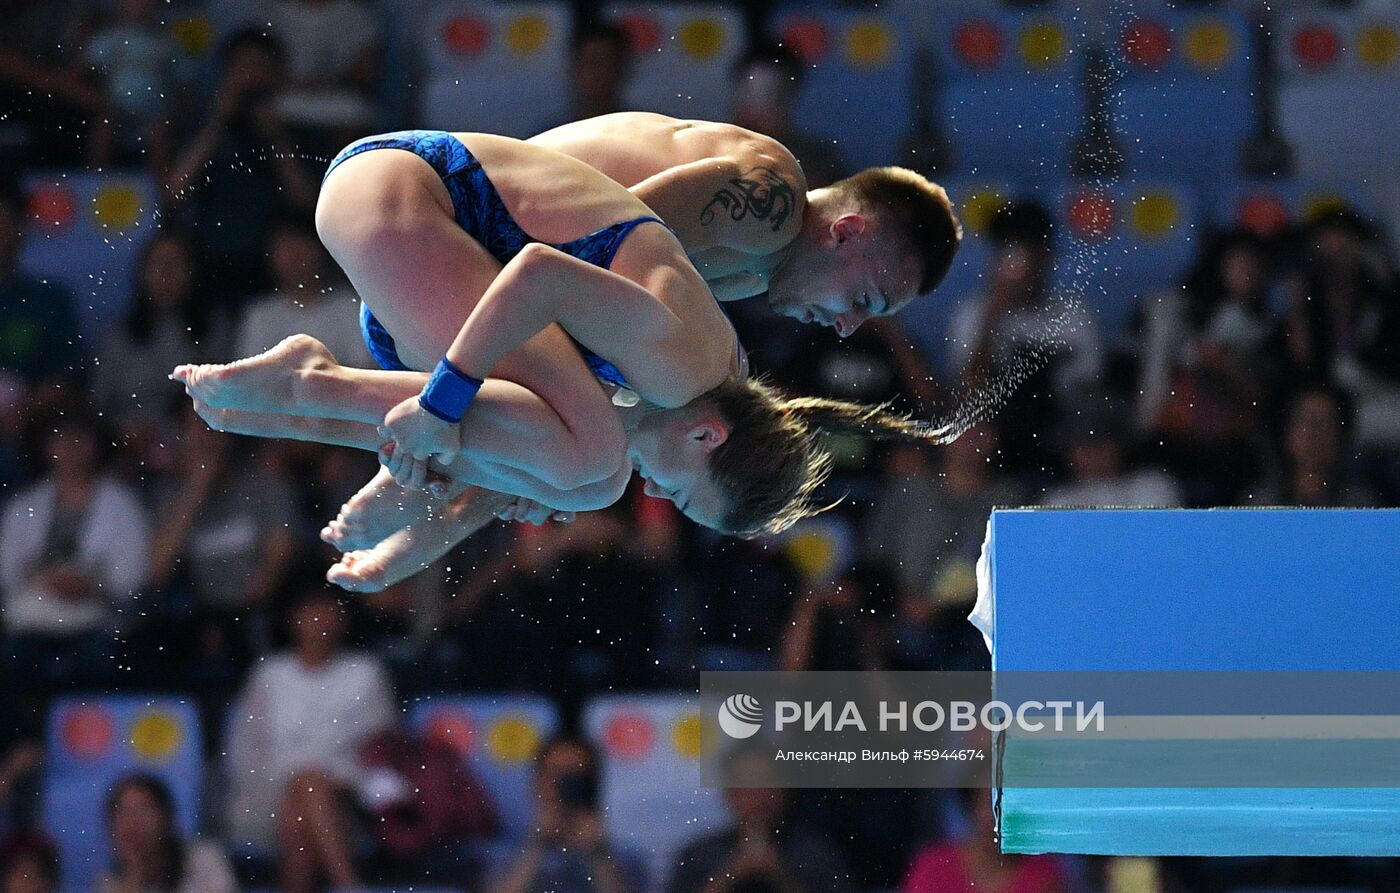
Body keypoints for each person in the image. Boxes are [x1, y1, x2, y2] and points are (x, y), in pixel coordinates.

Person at [173, 130, 950, 581]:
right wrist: (451, 416)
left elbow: (570, 295)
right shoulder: (768, 212)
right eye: (868, 300)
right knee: (589, 462)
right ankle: (315, 389)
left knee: (586, 467)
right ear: (848, 233)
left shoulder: (722, 322)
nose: (847, 327)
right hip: (431, 205)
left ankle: (362, 437)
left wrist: (505, 466)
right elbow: (568, 244)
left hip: (440, 255)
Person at [225, 587, 396, 893]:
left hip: (346, 795)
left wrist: (333, 781)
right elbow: (245, 750)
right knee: (302, 802)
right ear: (294, 620)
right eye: (313, 612)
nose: (322, 621)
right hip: (271, 795)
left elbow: (382, 749)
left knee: (307, 797)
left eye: (330, 611)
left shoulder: (366, 672)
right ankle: (349, 885)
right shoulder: (269, 674)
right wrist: (291, 784)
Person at [495, 736, 632, 893]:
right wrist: (536, 845)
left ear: (593, 784)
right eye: (558, 773)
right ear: (537, 781)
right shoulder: (501, 850)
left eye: (577, 776)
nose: (566, 785)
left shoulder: (624, 858)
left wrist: (598, 852)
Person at [99, 774, 236, 893]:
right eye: (123, 813)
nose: (133, 822)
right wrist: (132, 876)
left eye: (142, 810)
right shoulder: (109, 883)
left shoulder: (205, 859)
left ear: (167, 817)